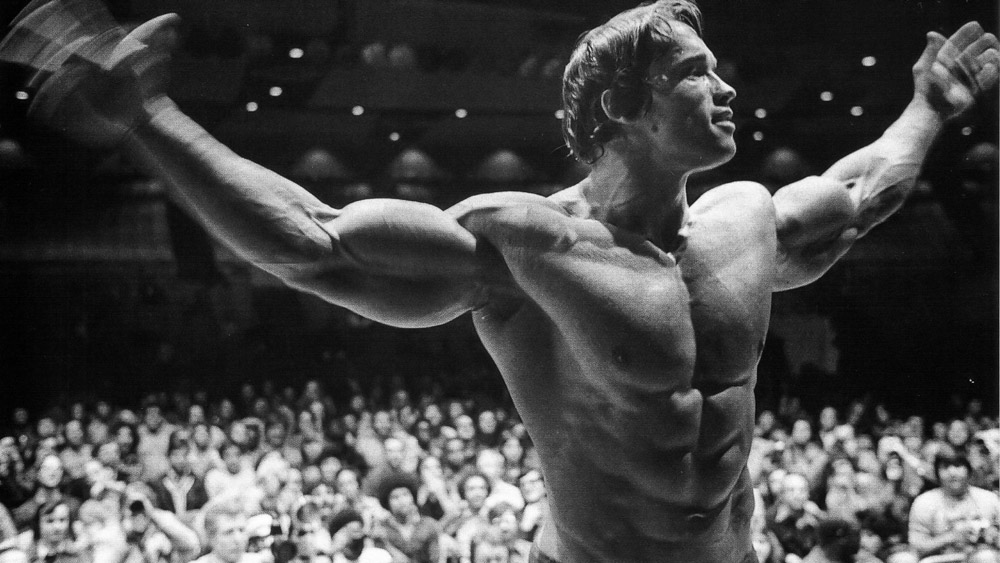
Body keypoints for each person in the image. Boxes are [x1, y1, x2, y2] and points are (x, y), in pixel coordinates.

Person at [2, 1, 997, 561]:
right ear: (625, 104)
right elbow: (314, 244)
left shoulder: (745, 220)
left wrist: (929, 107)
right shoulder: (527, 245)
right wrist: (148, 117)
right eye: (697, 71)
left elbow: (859, 193)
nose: (727, 85)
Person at [907, 452, 1000, 562]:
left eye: (958, 466)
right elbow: (916, 547)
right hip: (940, 559)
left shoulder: (989, 499)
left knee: (986, 557)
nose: (952, 473)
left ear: (968, 470)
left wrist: (992, 536)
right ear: (937, 473)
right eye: (945, 467)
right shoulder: (924, 502)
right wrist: (951, 537)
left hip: (981, 555)